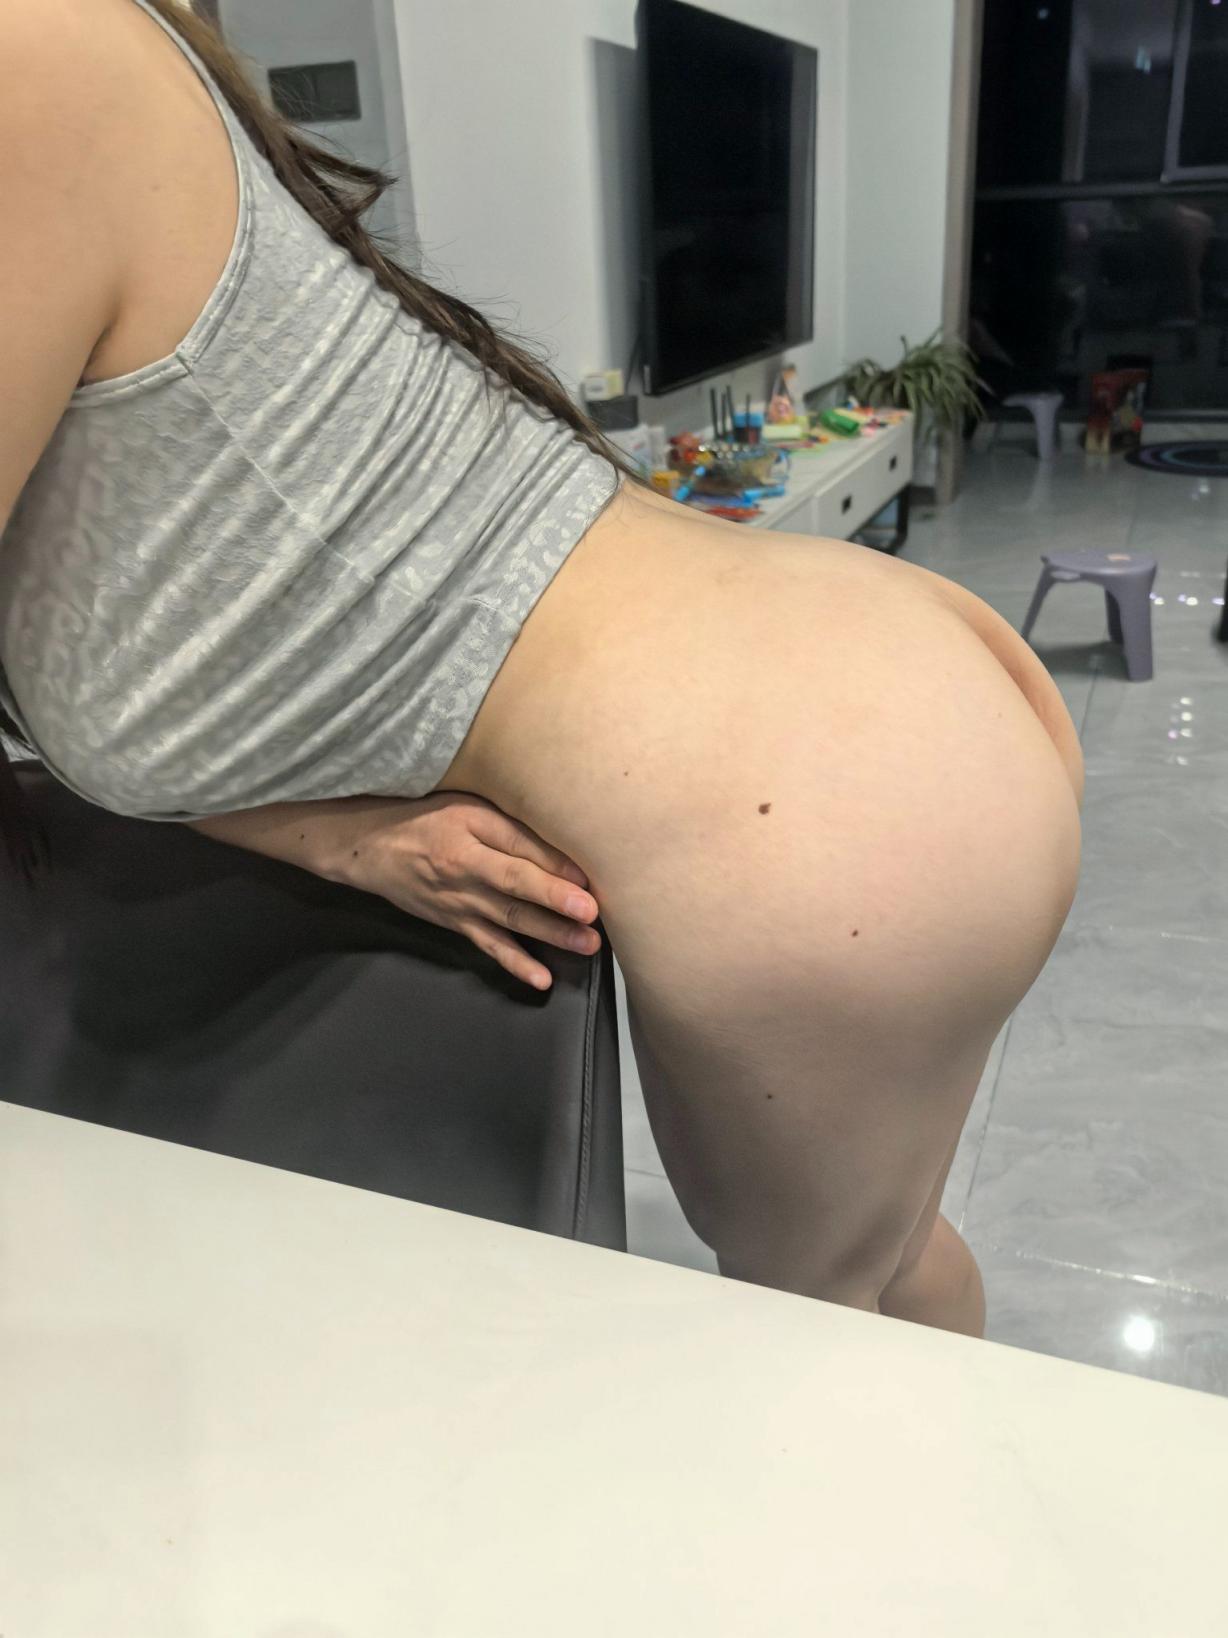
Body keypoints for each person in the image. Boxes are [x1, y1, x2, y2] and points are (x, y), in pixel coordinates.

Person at [0, 0, 1082, 1337]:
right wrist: (341, 837)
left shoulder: (37, 57)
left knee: (828, 1331)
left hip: (821, 790)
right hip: (853, 726)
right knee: (883, 1275)